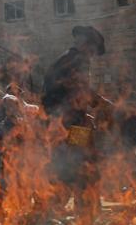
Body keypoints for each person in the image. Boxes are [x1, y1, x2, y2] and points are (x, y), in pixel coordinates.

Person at [42, 25, 109, 212]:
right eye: (92, 50)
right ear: (87, 45)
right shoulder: (78, 60)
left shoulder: (64, 59)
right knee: (82, 164)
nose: (92, 56)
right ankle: (85, 210)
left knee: (67, 166)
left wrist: (83, 112)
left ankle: (53, 212)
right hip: (70, 124)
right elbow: (80, 89)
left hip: (61, 122)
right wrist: (101, 104)